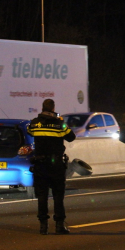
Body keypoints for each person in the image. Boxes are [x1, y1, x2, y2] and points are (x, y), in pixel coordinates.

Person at [28, 98, 76, 235]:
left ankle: (43, 226)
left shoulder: (34, 123)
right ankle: (59, 226)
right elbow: (71, 137)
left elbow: (29, 132)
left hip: (40, 164)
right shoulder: (59, 124)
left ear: (42, 108)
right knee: (58, 196)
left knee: (42, 196)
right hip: (56, 166)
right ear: (53, 108)